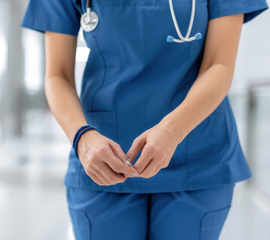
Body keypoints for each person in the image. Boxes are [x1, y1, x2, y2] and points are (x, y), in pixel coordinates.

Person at [20, 0, 268, 239]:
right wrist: (82, 137)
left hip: (198, 153)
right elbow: (57, 75)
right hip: (103, 157)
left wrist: (173, 130)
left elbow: (220, 64)